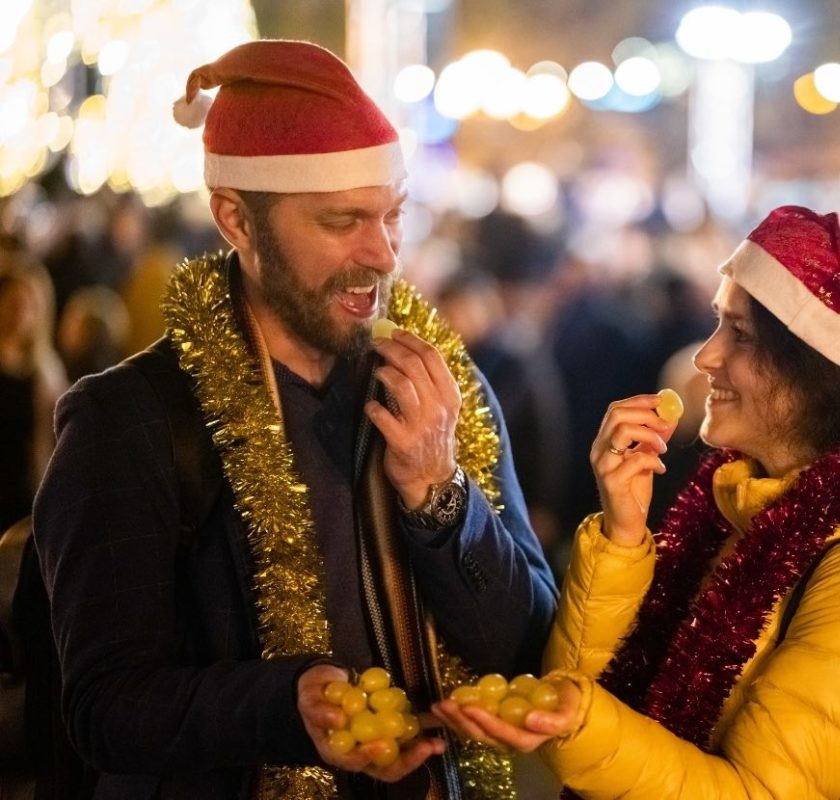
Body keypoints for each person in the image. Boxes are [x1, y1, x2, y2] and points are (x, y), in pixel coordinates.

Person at [32, 40, 556, 800]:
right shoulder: (130, 421)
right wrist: (287, 704)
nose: (380, 254)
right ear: (236, 220)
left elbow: (525, 645)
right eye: (342, 220)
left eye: (392, 215)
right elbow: (103, 707)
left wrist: (442, 497)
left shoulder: (442, 388)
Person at [433, 206, 840, 798]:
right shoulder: (733, 507)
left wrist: (580, 723)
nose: (706, 356)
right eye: (717, 323)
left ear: (816, 373)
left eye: (741, 334)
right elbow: (591, 696)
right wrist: (622, 534)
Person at [0, 262, 67, 531]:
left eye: (29, 306)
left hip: (23, 490)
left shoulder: (46, 374)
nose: (20, 314)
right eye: (14, 303)